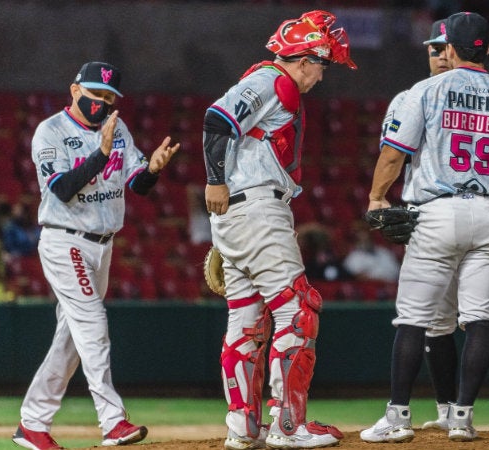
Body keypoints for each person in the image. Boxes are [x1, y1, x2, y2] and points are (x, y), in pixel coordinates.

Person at [360, 12, 489, 443]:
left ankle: (398, 416)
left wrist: (375, 197)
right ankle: (463, 418)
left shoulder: (426, 91)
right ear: (486, 49)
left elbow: (393, 155)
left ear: (448, 49)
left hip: (436, 210)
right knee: (481, 319)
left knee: (414, 319)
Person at [202, 10, 356, 450]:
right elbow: (217, 120)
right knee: (297, 310)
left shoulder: (270, 82)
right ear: (305, 58)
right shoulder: (276, 80)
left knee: (247, 321)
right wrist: (215, 180)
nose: (322, 75)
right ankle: (290, 426)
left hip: (240, 212)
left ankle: (243, 427)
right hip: (256, 209)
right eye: (322, 64)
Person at [13, 61, 180, 450]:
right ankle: (113, 422)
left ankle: (32, 424)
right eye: (94, 94)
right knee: (93, 327)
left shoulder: (117, 128)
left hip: (102, 245)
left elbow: (137, 184)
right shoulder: (50, 131)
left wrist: (152, 169)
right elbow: (64, 188)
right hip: (65, 240)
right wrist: (101, 153)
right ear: (75, 90)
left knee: (70, 340)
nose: (101, 103)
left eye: (108, 97)